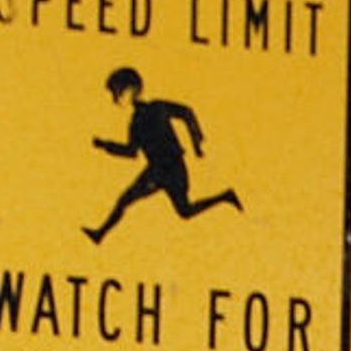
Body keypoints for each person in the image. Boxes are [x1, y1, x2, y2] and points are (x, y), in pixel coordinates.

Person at [82, 67, 242, 244]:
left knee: (183, 210)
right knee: (134, 201)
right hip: (158, 169)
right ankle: (99, 234)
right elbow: (131, 152)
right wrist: (105, 145)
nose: (116, 98)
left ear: (132, 89)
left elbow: (187, 113)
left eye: (118, 92)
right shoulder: (135, 122)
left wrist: (197, 143)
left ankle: (226, 196)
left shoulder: (157, 108)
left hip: (171, 167)